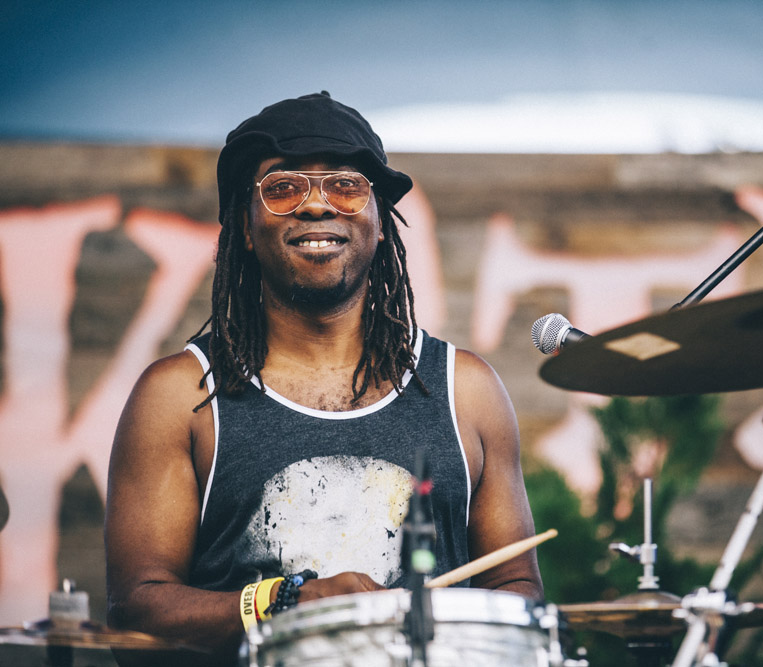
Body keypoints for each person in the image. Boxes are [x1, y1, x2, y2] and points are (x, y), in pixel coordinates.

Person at [104, 92, 542, 665]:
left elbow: (518, 589)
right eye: (283, 188)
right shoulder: (180, 396)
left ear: (381, 220)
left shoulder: (468, 391)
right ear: (243, 224)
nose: (316, 206)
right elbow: (137, 611)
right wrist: (289, 602)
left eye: (346, 185)